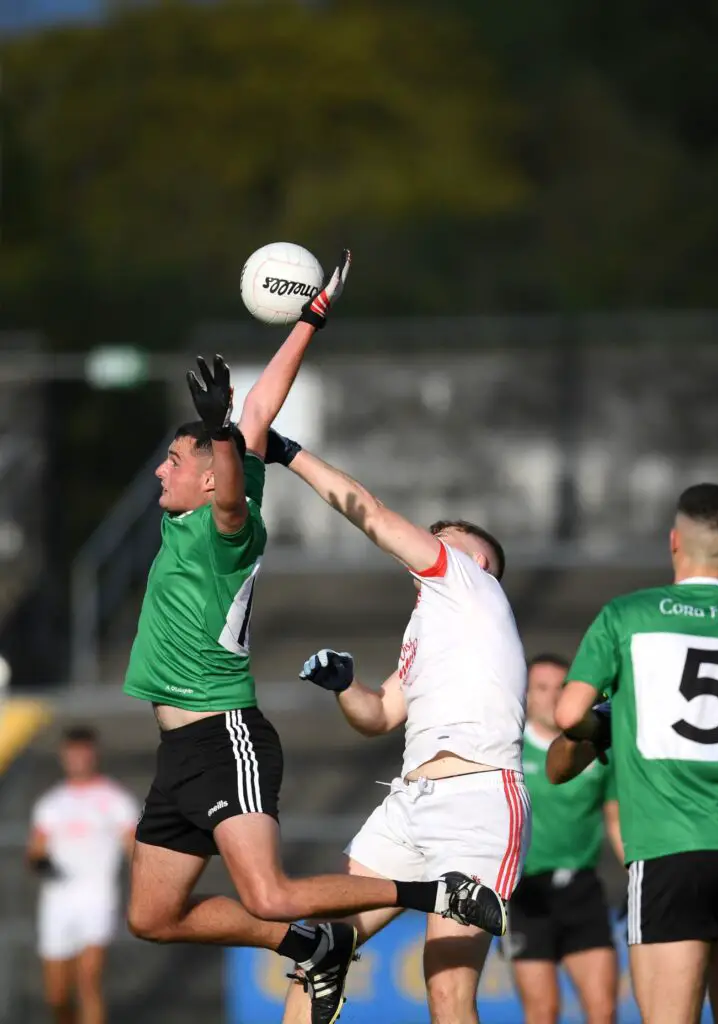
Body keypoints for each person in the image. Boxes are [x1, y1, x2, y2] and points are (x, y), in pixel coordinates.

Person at [121, 254, 505, 1024]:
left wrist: (220, 432)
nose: (161, 470)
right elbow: (262, 409)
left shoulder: (224, 529)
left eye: (174, 460)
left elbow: (233, 490)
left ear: (208, 476)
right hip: (179, 750)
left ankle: (434, 893)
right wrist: (310, 320)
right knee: (153, 917)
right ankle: (312, 946)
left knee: (269, 892)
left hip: (223, 737)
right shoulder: (206, 500)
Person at [262, 428, 531, 1024]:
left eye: (446, 536)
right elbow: (380, 714)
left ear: (477, 560)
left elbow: (374, 514)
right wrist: (345, 687)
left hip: (478, 802)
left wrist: (288, 453)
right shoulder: (431, 625)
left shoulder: (471, 583)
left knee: (448, 993)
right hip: (410, 803)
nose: (431, 538)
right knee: (321, 947)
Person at [553, 483, 718, 1024]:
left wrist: (606, 723)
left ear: (673, 540)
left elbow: (567, 715)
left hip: (668, 847)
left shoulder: (628, 616)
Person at [547, 697, 718, 1024]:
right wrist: (588, 725)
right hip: (669, 866)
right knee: (671, 1014)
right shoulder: (635, 684)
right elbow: (558, 766)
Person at [505, 653, 621, 1024]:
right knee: (543, 1012)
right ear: (525, 695)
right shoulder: (507, 749)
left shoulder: (595, 748)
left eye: (561, 688)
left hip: (581, 890)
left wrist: (640, 875)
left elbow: (616, 819)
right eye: (541, 688)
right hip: (525, 894)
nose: (552, 696)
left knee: (603, 1011)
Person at [27, 726, 140, 1024]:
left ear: (94, 754)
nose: (78, 759)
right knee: (57, 995)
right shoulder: (51, 803)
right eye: (72, 753)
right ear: (63, 756)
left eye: (83, 752)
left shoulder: (115, 799)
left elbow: (134, 849)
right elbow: (35, 850)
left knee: (89, 981)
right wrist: (40, 863)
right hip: (57, 901)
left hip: (98, 898)